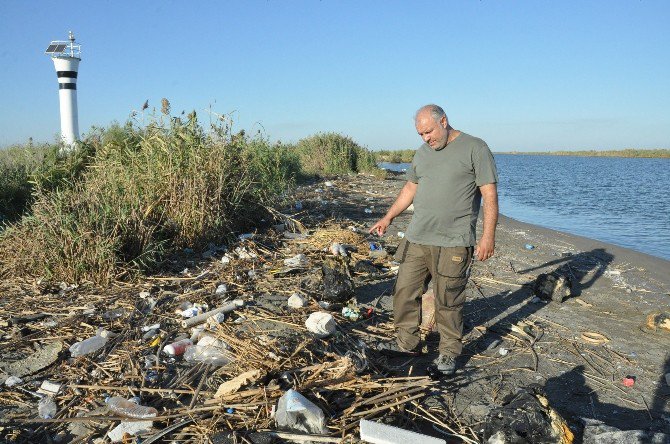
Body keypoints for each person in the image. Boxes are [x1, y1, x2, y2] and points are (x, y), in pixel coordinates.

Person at [369, 104, 499, 376]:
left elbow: (489, 195)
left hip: (454, 241)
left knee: (448, 300)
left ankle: (449, 353)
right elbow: (410, 188)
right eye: (421, 134)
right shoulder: (422, 153)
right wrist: (388, 217)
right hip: (417, 237)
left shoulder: (475, 148)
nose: (426, 138)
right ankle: (408, 345)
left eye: (429, 131)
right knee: (404, 292)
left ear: (444, 121)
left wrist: (487, 236)